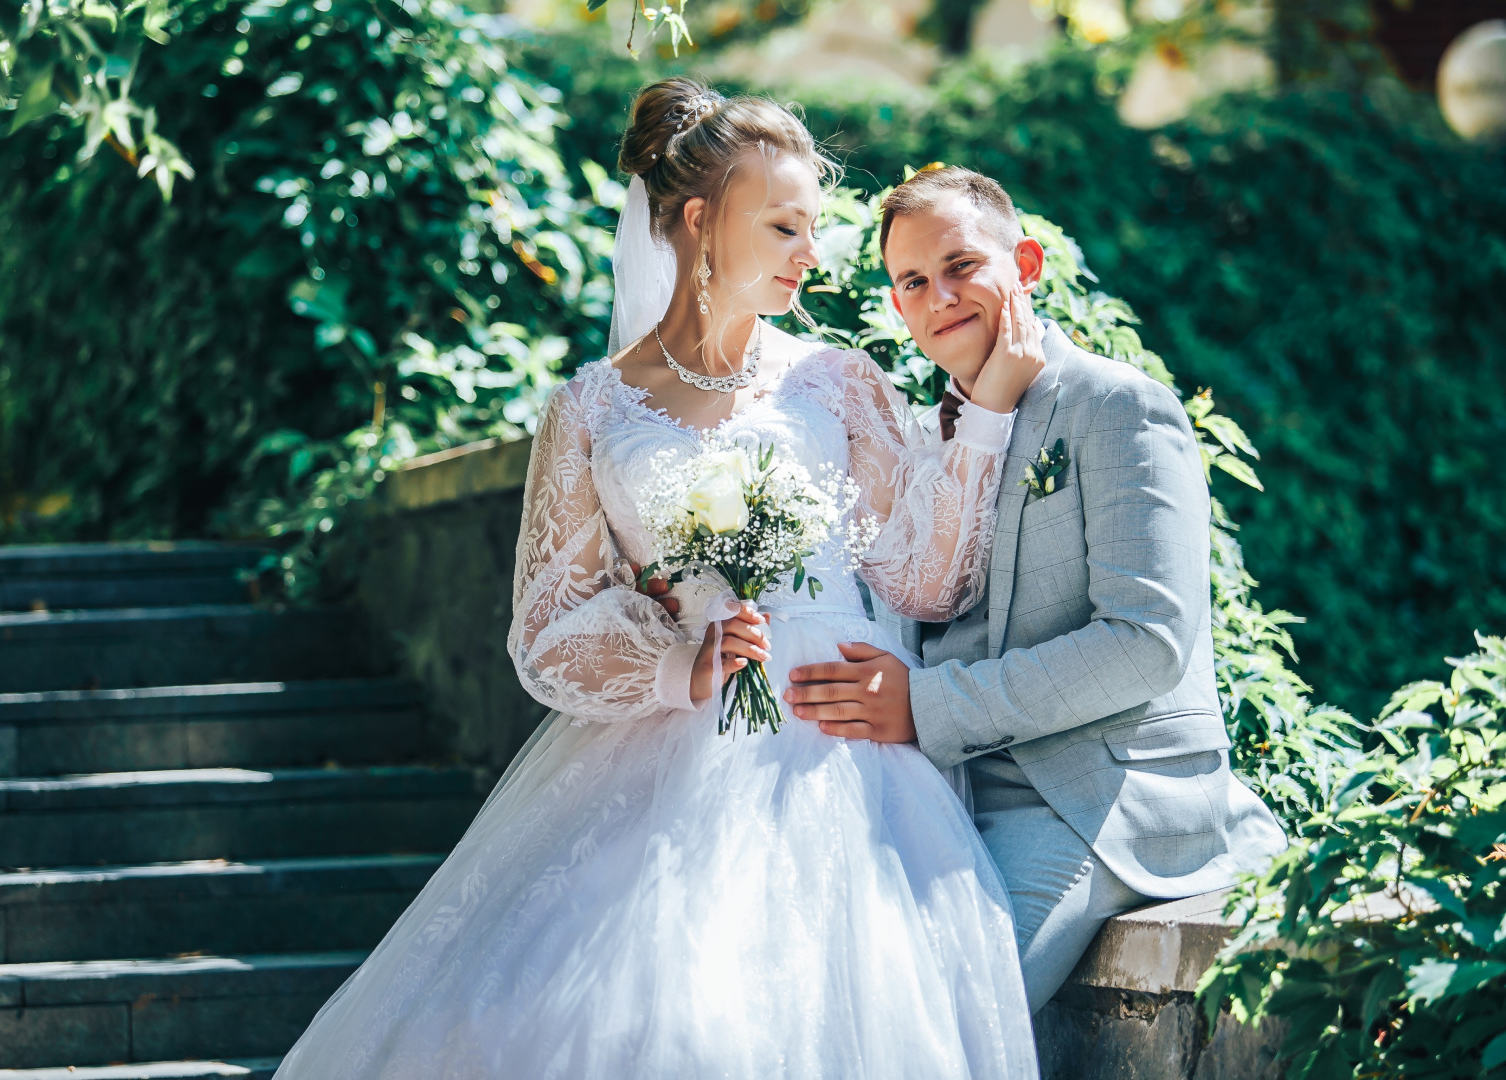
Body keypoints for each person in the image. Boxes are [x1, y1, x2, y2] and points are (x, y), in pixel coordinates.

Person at [272, 83, 1045, 1078]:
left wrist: (986, 416)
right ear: (699, 222)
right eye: (785, 225)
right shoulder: (590, 409)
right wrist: (685, 656)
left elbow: (926, 581)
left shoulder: (838, 381)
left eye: (815, 226)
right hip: (665, 750)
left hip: (842, 749)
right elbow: (546, 629)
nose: (812, 254)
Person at [784, 164, 1289, 1013]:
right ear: (898, 307)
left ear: (1025, 264)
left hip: (1088, 802)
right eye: (913, 281)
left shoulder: (1118, 406)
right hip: (943, 798)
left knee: (939, 1024)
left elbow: (1147, 642)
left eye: (960, 266)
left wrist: (926, 705)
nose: (939, 296)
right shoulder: (918, 436)